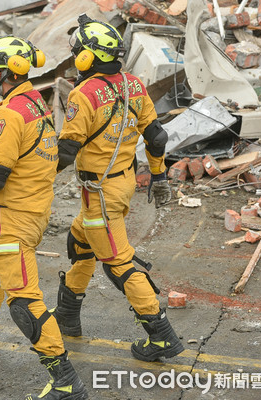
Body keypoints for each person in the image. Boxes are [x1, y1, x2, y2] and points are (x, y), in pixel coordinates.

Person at [0, 36, 88, 400]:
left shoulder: (9, 115)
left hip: (13, 219)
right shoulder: (34, 102)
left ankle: (66, 381)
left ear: (0, 73)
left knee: (24, 302)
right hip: (31, 211)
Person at [53, 14, 184, 363]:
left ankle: (161, 336)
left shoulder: (84, 94)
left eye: (78, 51)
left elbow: (66, 150)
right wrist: (158, 176)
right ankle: (67, 315)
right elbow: (156, 136)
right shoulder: (135, 85)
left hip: (100, 194)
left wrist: (30, 179)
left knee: (118, 262)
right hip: (120, 184)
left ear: (86, 57)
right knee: (79, 242)